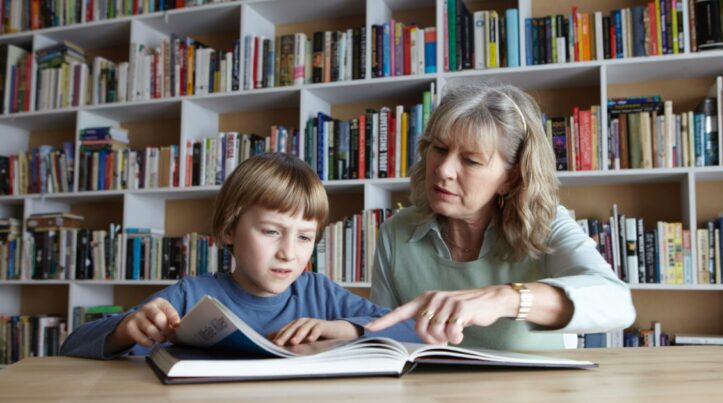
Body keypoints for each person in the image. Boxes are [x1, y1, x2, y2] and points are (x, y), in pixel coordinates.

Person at [60, 152, 419, 359]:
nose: (288, 253)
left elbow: (416, 332)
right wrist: (127, 330)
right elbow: (72, 346)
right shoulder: (190, 296)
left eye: (305, 237)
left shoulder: (319, 294)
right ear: (229, 230)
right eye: (271, 231)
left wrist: (344, 327)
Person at [365, 82, 636, 349]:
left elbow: (617, 303)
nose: (444, 170)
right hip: (429, 392)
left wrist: (505, 298)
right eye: (439, 148)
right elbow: (384, 338)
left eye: (471, 160)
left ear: (510, 177)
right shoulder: (395, 231)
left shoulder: (544, 223)